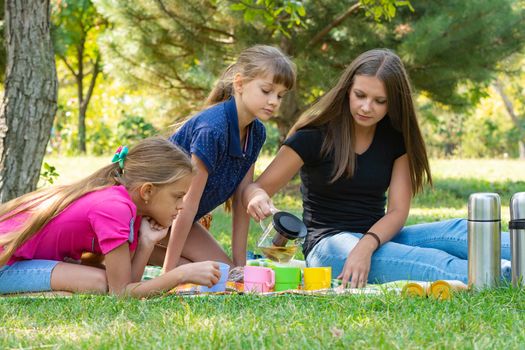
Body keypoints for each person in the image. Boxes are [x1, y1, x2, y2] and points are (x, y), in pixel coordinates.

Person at [243, 48, 511, 288]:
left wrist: (367, 244)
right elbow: (258, 187)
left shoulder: (394, 139)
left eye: (379, 101)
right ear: (348, 89)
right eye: (360, 95)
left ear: (393, 102)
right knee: (431, 260)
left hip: (377, 238)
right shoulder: (314, 135)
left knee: (459, 231)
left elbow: (397, 211)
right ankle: (504, 275)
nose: (366, 107)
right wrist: (256, 197)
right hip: (329, 247)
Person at [0, 137, 221, 297]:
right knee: (97, 282)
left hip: (19, 261)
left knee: (99, 279)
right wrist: (180, 275)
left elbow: (127, 284)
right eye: (177, 196)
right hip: (5, 265)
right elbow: (121, 294)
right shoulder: (115, 208)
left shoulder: (128, 207)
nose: (182, 206)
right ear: (147, 191)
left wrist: (146, 243)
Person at [159, 45, 296, 272]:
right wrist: (169, 272)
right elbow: (188, 205)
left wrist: (240, 266)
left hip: (176, 223)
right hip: (148, 218)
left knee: (227, 273)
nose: (274, 101)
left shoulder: (257, 133)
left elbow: (242, 200)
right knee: (189, 272)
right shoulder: (212, 129)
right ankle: (136, 254)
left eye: (280, 95)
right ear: (240, 84)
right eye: (266, 91)